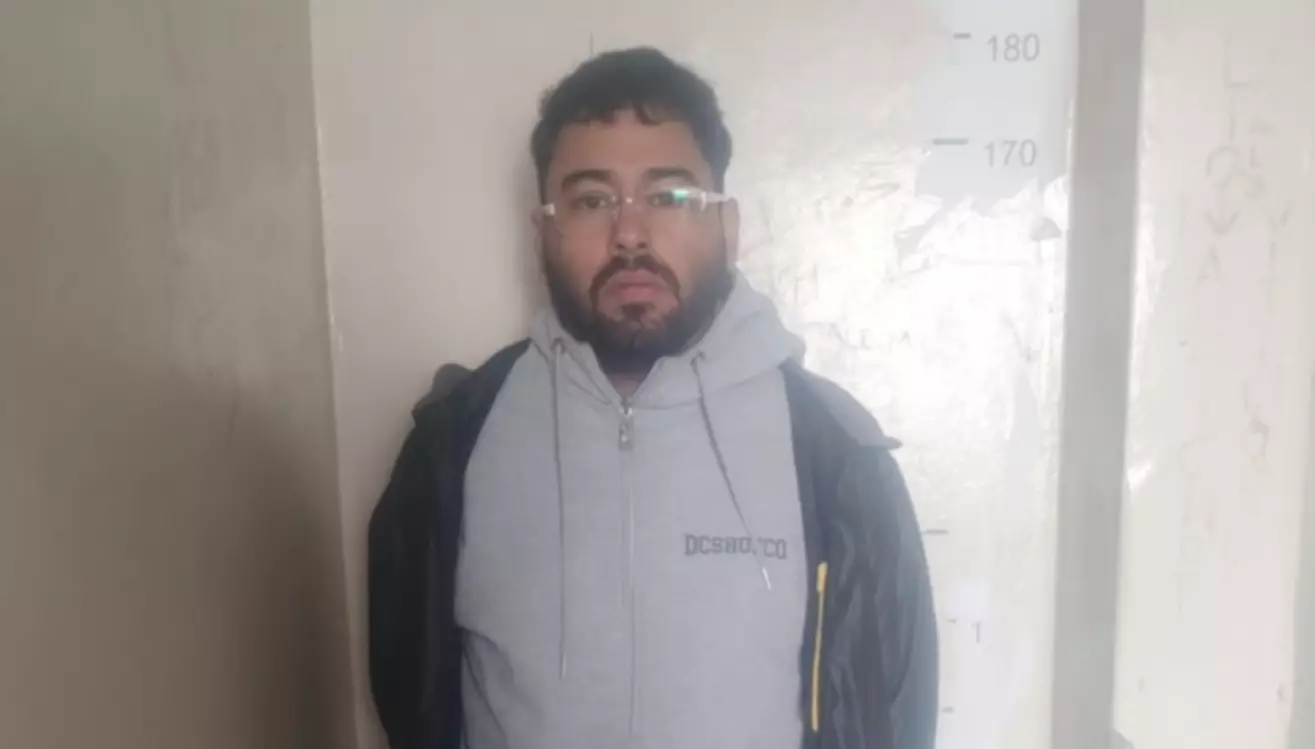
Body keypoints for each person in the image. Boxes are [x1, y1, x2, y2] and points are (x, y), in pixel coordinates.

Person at [368, 47, 938, 749]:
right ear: (542, 234)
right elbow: (413, 700)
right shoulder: (454, 443)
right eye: (590, 200)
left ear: (727, 227)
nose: (630, 234)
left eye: (669, 197)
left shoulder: (832, 451)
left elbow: (889, 714)